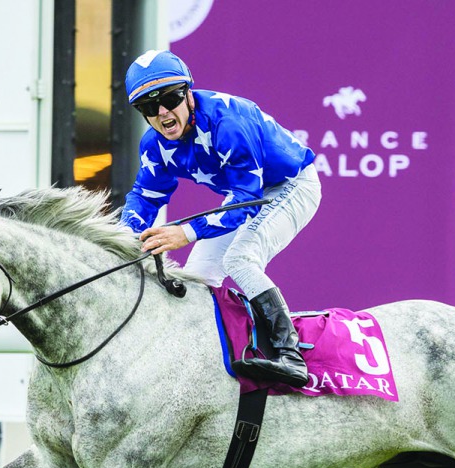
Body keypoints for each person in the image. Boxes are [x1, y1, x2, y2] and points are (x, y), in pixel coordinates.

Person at [121, 49, 320, 387]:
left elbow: (246, 200)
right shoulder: (153, 145)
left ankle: (290, 355)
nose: (163, 113)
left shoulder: (229, 123)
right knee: (196, 279)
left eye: (169, 98)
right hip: (244, 197)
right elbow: (145, 196)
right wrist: (122, 240)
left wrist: (186, 232)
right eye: (149, 108)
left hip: (290, 185)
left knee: (241, 258)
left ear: (188, 94)